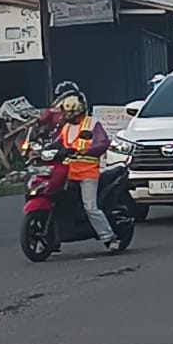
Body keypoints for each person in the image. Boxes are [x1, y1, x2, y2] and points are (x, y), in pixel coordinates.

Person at [53, 90, 119, 251]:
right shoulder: (66, 127)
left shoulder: (92, 124)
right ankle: (54, 238)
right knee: (56, 201)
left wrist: (86, 151)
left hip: (87, 172)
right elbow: (56, 143)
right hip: (67, 171)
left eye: (71, 112)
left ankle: (109, 238)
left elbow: (102, 143)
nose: (68, 115)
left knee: (90, 207)